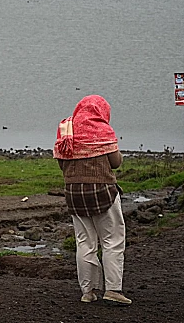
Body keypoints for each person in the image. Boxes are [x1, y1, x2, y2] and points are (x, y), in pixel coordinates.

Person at [54, 95, 132, 306]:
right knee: (112, 241)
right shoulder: (103, 130)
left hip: (74, 193)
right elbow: (115, 163)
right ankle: (113, 289)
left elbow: (62, 164)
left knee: (84, 243)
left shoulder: (66, 129)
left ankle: (88, 291)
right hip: (102, 192)